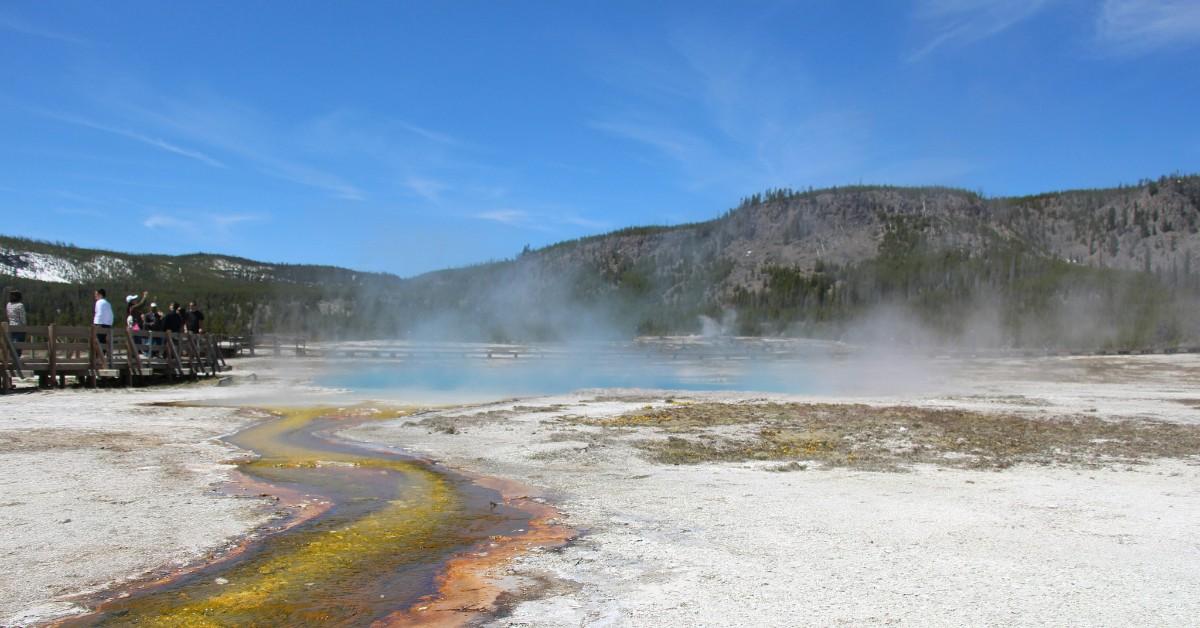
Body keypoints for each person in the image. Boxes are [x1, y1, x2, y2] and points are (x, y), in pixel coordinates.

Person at [94, 288, 114, 357]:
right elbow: (111, 315)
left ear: (100, 295)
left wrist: (96, 324)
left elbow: (98, 313)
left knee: (97, 342)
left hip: (99, 324)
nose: (95, 296)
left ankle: (97, 359)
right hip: (107, 325)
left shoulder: (98, 302)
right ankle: (103, 358)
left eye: (96, 294)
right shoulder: (108, 303)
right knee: (104, 342)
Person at [7, 289, 25, 357]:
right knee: (18, 346)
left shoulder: (8, 304)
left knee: (12, 345)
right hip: (19, 327)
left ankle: (12, 360)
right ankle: (16, 362)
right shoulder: (20, 305)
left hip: (11, 326)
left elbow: (8, 315)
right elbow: (22, 319)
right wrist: (25, 327)